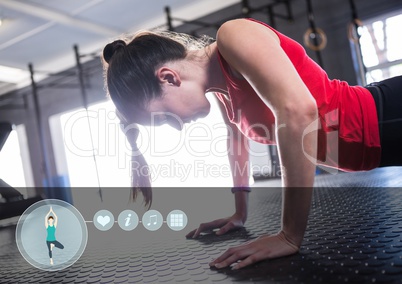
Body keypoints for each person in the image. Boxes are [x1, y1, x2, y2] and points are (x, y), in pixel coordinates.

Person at [101, 18, 402, 270]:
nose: (175, 126)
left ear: (169, 78)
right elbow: (236, 140)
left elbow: (299, 112)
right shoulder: (219, 88)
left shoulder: (234, 35)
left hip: (384, 118)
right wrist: (239, 212)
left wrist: (289, 236)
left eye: (165, 117)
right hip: (371, 145)